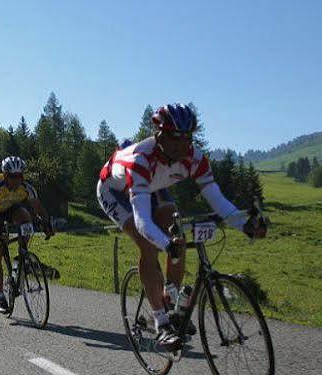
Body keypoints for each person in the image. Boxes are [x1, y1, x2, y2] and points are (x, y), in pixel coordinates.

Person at [97, 103, 267, 351]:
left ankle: (173, 300)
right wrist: (166, 245)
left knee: (176, 232)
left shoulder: (195, 158)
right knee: (150, 246)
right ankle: (161, 323)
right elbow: (143, 221)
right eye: (174, 139)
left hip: (151, 186)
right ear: (159, 135)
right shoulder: (141, 159)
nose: (182, 145)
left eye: (187, 138)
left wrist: (245, 225)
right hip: (115, 191)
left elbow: (219, 202)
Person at [0, 156, 55, 313]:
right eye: (12, 176)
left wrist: (46, 223)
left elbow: (38, 208)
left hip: (10, 210)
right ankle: (1, 295)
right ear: (5, 175)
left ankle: (23, 255)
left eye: (20, 176)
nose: (16, 180)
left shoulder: (27, 188)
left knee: (25, 217)